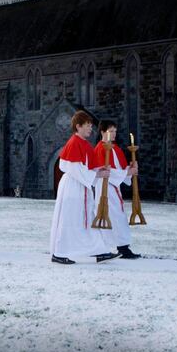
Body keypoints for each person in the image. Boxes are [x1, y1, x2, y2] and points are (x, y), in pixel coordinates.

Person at [49, 111, 120, 264]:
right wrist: (96, 176)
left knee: (87, 219)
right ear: (78, 126)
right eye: (87, 125)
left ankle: (100, 251)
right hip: (73, 187)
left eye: (91, 125)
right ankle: (59, 253)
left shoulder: (85, 144)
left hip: (82, 187)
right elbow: (74, 168)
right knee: (70, 219)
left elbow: (89, 166)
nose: (90, 129)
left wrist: (99, 170)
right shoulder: (74, 143)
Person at [93, 120, 141, 259]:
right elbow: (105, 171)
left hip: (114, 186)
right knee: (108, 215)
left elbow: (119, 169)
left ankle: (121, 247)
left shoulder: (115, 149)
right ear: (102, 132)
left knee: (117, 216)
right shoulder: (100, 149)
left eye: (115, 131)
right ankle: (109, 248)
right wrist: (126, 173)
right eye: (111, 131)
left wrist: (130, 169)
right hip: (105, 187)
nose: (114, 134)